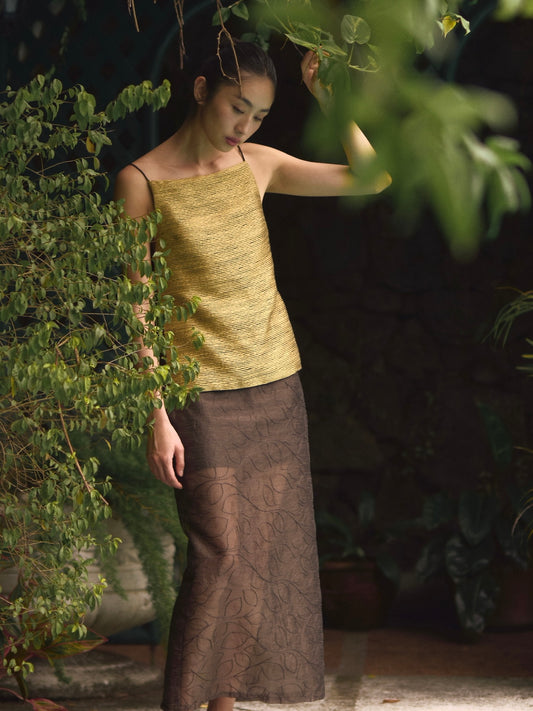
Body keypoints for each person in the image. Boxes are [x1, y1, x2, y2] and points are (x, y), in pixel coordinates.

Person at [114, 40, 390, 711]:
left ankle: (225, 703)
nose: (246, 125)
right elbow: (135, 308)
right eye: (238, 107)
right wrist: (156, 415)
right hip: (197, 393)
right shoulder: (141, 181)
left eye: (260, 116)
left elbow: (372, 178)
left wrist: (331, 99)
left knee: (260, 554)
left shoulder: (256, 164)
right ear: (201, 90)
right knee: (220, 552)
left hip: (272, 381)